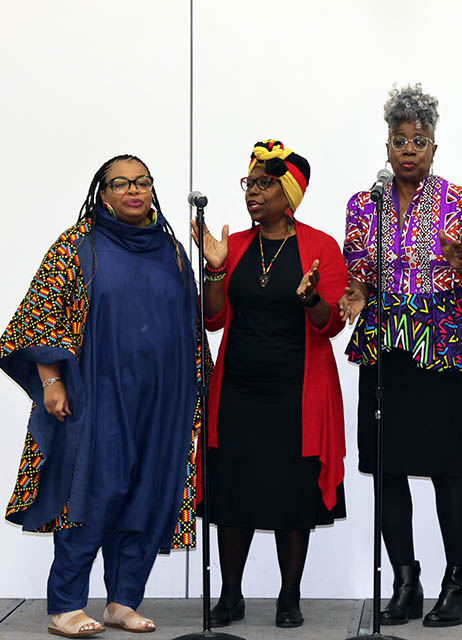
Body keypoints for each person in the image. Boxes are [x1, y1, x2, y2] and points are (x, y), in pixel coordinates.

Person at [0, 155, 205, 637]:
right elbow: (42, 314)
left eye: (143, 181)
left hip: (164, 398)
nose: (134, 190)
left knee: (147, 495)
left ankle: (122, 601)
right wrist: (51, 381)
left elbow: (192, 323)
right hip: (99, 393)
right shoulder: (78, 244)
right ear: (102, 193)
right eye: (121, 183)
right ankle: (66, 605)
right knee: (90, 493)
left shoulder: (171, 248)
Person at [339, 84, 462, 628]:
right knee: (387, 469)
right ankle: (405, 580)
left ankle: (459, 582)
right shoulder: (365, 205)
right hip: (386, 348)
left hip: (445, 349)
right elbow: (357, 276)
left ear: (434, 148)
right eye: (399, 139)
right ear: (387, 146)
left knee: (447, 467)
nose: (409, 149)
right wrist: (353, 296)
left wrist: (461, 263)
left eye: (420, 140)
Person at [192, 140, 346, 629]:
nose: (252, 193)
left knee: (290, 496)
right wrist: (214, 269)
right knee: (233, 495)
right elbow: (213, 317)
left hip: (296, 393)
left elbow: (331, 325)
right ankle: (231, 597)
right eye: (249, 184)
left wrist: (309, 299)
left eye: (263, 185)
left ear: (289, 194)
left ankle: (289, 597)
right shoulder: (234, 244)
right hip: (236, 389)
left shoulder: (321, 247)